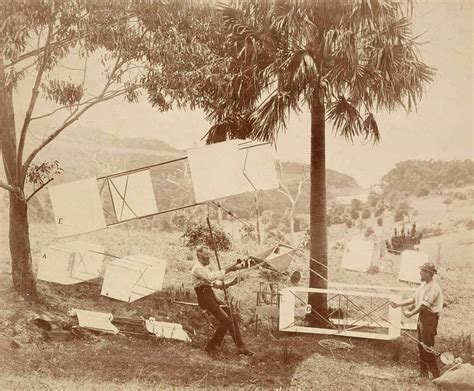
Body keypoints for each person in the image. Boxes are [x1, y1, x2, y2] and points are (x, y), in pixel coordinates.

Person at [191, 245, 253, 357]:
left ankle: (241, 347)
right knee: (225, 320)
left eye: (209, 255)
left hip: (210, 295)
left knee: (230, 315)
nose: (209, 257)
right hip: (204, 298)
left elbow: (216, 283)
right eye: (206, 255)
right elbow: (211, 277)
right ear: (199, 256)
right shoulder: (197, 268)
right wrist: (231, 268)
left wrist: (230, 281)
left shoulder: (204, 268)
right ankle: (211, 346)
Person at [390, 262, 443, 379]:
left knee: (427, 346)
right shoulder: (423, 285)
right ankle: (423, 373)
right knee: (421, 345)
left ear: (429, 273)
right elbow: (414, 299)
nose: (420, 272)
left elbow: (424, 305)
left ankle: (436, 375)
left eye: (422, 271)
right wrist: (399, 304)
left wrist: (411, 313)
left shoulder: (434, 287)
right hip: (422, 318)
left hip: (430, 319)